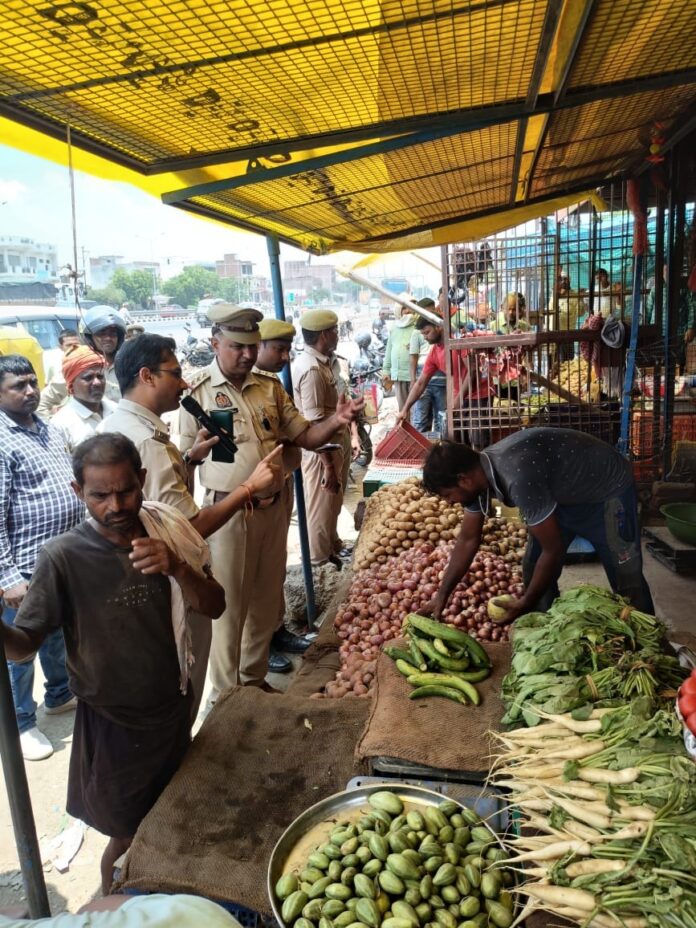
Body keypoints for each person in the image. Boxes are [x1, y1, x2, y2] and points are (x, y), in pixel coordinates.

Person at [1, 433, 225, 894]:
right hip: (113, 726)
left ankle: (156, 903)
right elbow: (23, 647)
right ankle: (113, 906)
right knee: (125, 838)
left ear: (142, 480)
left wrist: (178, 567)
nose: (116, 505)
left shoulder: (166, 531)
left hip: (171, 708)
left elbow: (215, 605)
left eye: (126, 491)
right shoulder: (64, 557)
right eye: (100, 495)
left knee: (169, 818)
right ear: (77, 491)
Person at [176, 304, 363, 694]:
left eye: (251, 346)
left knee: (264, 603)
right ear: (215, 343)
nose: (247, 354)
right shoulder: (196, 394)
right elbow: (184, 468)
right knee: (229, 611)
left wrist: (337, 420)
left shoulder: (269, 387)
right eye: (237, 346)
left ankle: (253, 681)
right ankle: (227, 697)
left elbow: (306, 437)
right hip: (229, 515)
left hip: (275, 508)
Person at [99, 333, 282, 716]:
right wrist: (248, 488)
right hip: (161, 576)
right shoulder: (146, 441)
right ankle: (227, 711)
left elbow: (155, 497)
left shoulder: (126, 426)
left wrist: (191, 459)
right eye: (175, 373)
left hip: (145, 569)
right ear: (147, 376)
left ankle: (242, 693)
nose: (183, 383)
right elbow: (190, 526)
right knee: (184, 675)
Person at [421, 430, 654, 622]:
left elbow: (553, 551)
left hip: (607, 490)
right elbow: (467, 539)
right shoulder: (477, 480)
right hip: (563, 496)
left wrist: (525, 602)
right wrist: (442, 595)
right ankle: (545, 627)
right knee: (533, 566)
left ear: (463, 479)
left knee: (625, 575)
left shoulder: (517, 477)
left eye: (448, 495)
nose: (449, 502)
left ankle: (649, 643)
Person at [0, 355, 84, 761]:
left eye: (33, 382)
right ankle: (21, 722)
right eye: (19, 385)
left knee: (56, 634)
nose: (30, 391)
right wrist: (7, 576)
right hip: (23, 565)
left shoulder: (46, 428)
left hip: (60, 558)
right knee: (21, 649)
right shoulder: (2, 440)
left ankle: (59, 694)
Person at [254, 318, 315, 674]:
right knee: (252, 580)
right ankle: (260, 647)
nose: (285, 356)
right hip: (249, 501)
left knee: (275, 569)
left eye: (287, 349)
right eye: (278, 349)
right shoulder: (218, 390)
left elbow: (297, 432)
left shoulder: (270, 385)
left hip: (279, 489)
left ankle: (277, 631)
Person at [292, 310, 354, 569]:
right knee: (320, 506)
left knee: (333, 502)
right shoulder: (312, 370)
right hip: (322, 451)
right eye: (335, 331)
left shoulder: (326, 362)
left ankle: (332, 545)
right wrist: (328, 465)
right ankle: (318, 561)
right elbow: (315, 425)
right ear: (324, 335)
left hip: (336, 442)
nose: (338, 335)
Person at [52, 346, 118, 450]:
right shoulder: (60, 424)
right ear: (71, 384)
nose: (97, 382)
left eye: (100, 376)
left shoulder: (116, 410)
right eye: (88, 378)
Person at [409, 298, 447, 434]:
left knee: (441, 419)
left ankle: (440, 443)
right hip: (425, 376)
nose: (425, 337)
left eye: (427, 333)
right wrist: (413, 380)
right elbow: (413, 356)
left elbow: (469, 371)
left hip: (442, 381)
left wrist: (457, 399)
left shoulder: (448, 345)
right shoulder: (434, 350)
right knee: (421, 419)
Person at [81, 306, 127, 401]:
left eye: (113, 334)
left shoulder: (128, 364)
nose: (108, 338)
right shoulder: (80, 367)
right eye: (101, 333)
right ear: (89, 337)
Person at [382, 303, 418, 417]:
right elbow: (389, 351)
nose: (408, 311)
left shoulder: (418, 325)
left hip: (416, 376)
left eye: (410, 307)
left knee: (417, 412)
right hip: (399, 376)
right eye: (404, 308)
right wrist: (386, 371)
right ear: (399, 311)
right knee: (403, 411)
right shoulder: (394, 328)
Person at [37, 328, 81, 419]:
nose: (74, 348)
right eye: (69, 345)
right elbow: (44, 400)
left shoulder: (91, 363)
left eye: (77, 345)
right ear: (61, 347)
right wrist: (51, 421)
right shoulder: (56, 366)